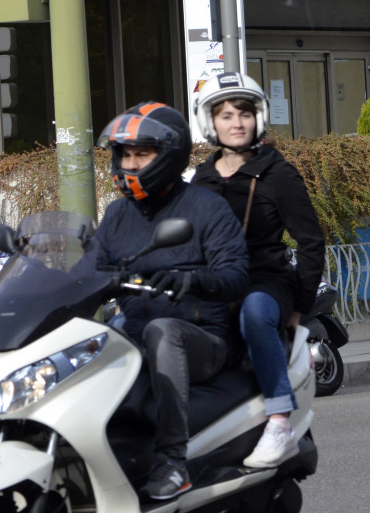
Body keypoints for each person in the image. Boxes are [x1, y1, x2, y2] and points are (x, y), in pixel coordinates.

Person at [92, 102, 249, 500]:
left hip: (202, 339)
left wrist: (192, 279)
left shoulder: (206, 208)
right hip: (134, 335)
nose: (130, 163)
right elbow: (91, 272)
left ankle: (172, 463)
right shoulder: (115, 216)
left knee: (164, 331)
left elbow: (235, 276)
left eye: (141, 154)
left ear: (169, 155)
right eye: (125, 154)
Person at [190, 72, 326, 469]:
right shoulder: (202, 177)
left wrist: (300, 305)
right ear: (210, 122)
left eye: (244, 114)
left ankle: (279, 419)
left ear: (258, 118)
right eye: (226, 115)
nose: (236, 123)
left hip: (265, 282)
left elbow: (311, 242)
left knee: (254, 313)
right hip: (215, 283)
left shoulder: (278, 174)